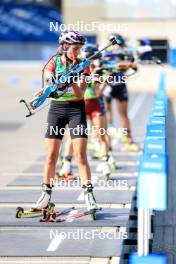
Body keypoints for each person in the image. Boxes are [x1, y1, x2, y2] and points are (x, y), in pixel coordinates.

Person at [31, 31, 97, 212]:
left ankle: (89, 195)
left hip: (76, 110)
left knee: (80, 156)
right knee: (51, 157)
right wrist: (56, 82)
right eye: (75, 48)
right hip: (56, 110)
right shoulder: (53, 61)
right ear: (65, 47)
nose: (78, 52)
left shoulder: (83, 65)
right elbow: (47, 87)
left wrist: (73, 81)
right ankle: (45, 195)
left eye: (80, 49)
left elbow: (80, 94)